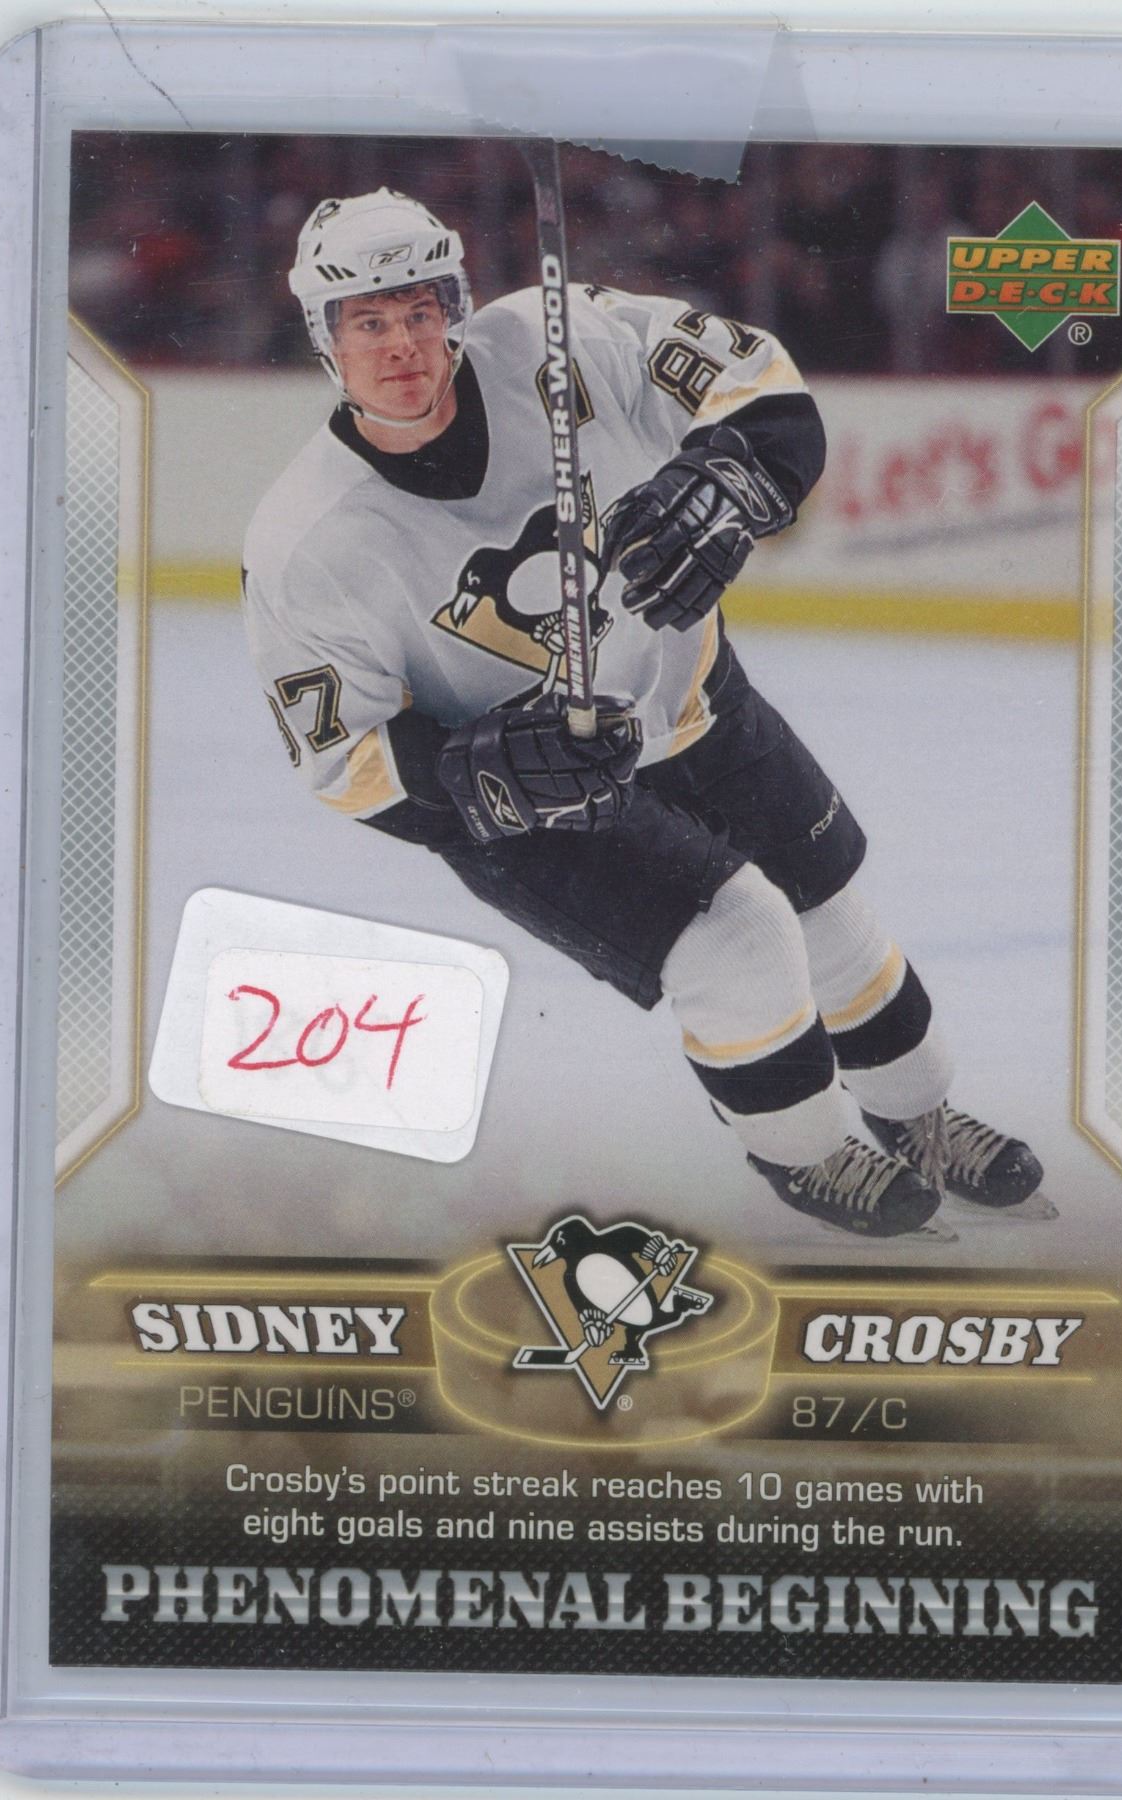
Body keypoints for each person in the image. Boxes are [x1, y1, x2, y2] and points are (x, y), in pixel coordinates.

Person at [242, 187, 1045, 1239]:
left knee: (831, 917)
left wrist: (731, 478)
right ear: (326, 339)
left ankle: (921, 1119)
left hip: (692, 699)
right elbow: (339, 756)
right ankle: (805, 1152)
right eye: (370, 323)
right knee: (740, 940)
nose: (403, 345)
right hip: (540, 803)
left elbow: (757, 380)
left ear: (457, 307)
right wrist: (482, 772)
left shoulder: (561, 340)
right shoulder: (305, 541)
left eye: (421, 311)